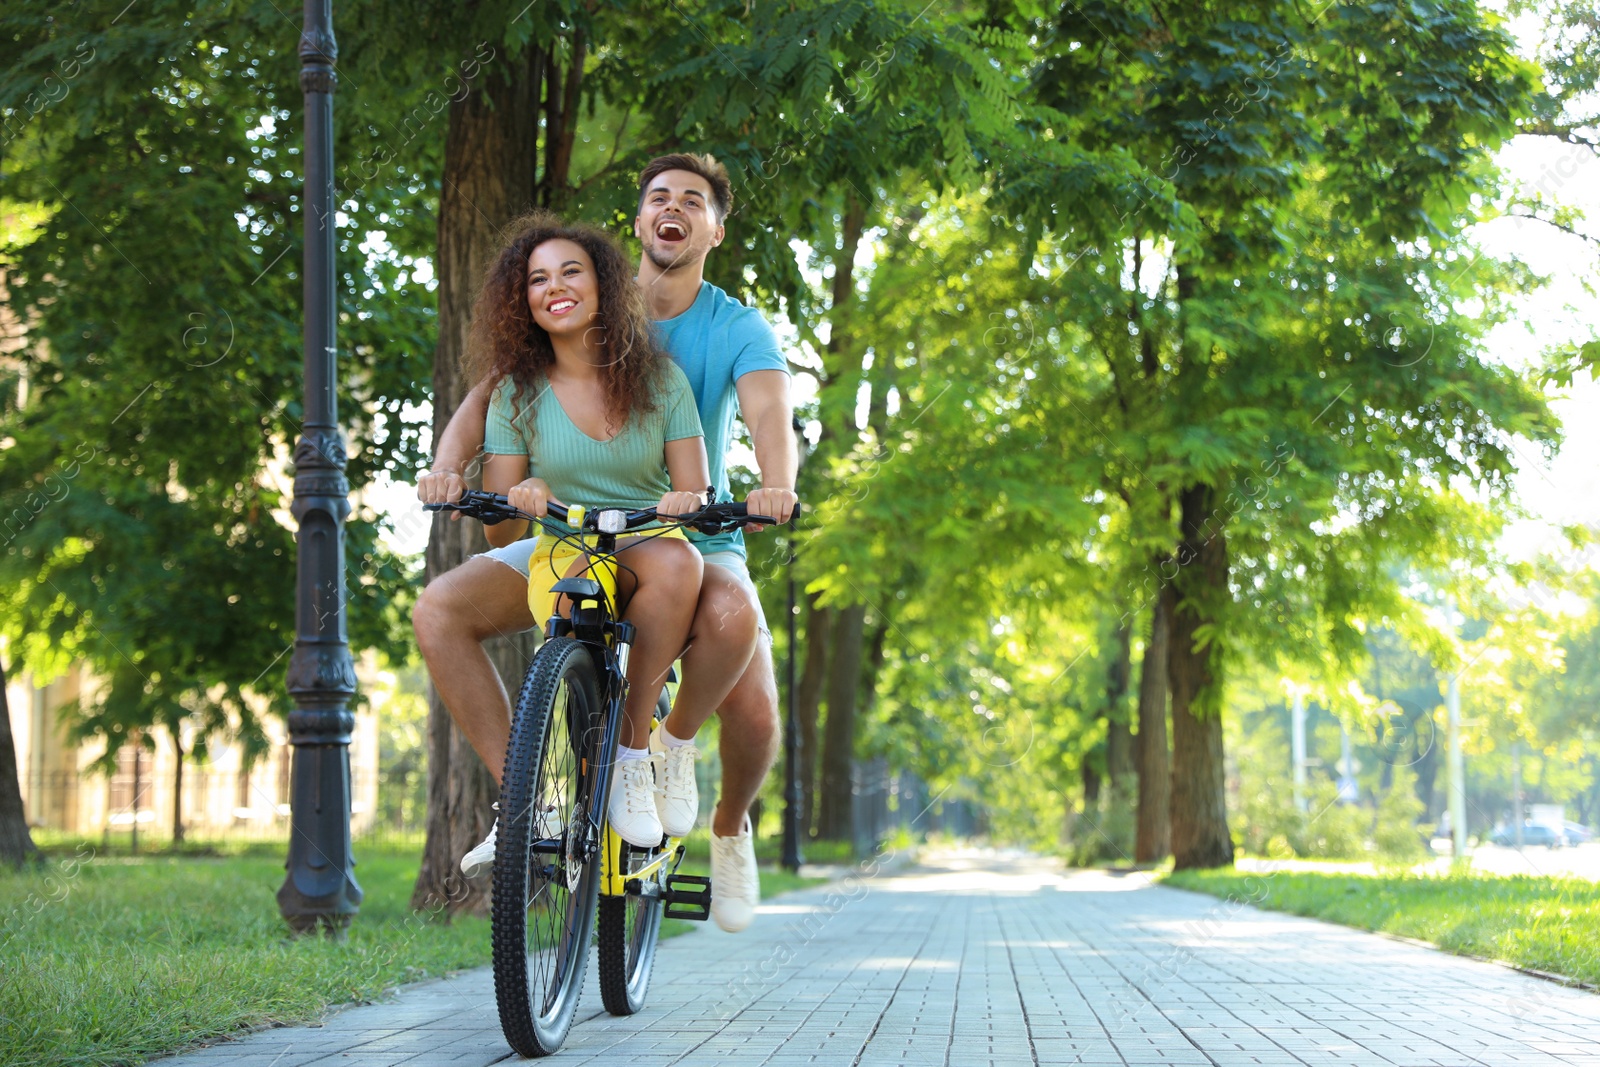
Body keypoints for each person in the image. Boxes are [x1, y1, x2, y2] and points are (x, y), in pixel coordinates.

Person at [415, 153, 798, 932]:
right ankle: (529, 800)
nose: (675, 208)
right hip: (574, 531)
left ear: (715, 230)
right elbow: (494, 393)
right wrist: (450, 467)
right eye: (659, 196)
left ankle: (716, 812)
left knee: (752, 705)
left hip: (687, 529)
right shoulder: (582, 292)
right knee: (442, 610)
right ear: (636, 220)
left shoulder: (732, 326)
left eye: (693, 201)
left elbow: (768, 415)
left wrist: (774, 482)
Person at [470, 212, 710, 846]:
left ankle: (633, 754)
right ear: (522, 300)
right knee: (569, 617)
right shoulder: (515, 395)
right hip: (566, 542)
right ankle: (543, 795)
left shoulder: (660, 380)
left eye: (570, 271)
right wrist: (527, 498)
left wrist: (683, 502)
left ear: (603, 283)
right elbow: (498, 534)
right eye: (537, 278)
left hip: (650, 536)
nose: (555, 286)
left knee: (680, 566)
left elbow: (693, 485)